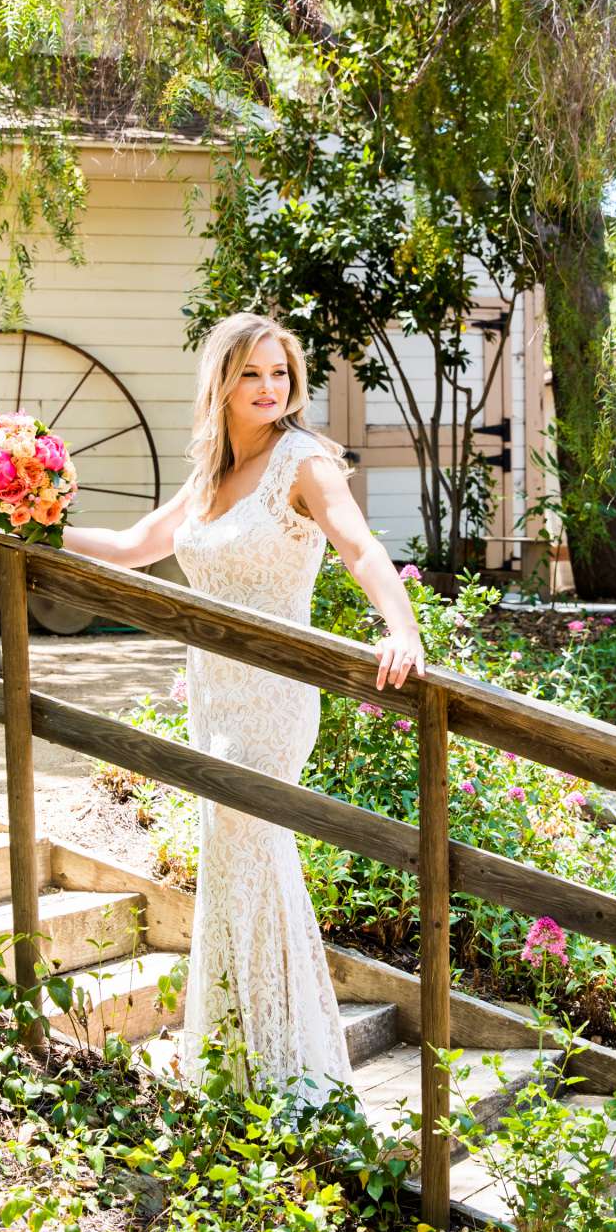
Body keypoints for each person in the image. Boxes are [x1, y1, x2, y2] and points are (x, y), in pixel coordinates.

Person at [62, 311, 427, 1105]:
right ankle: (238, 1059)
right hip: (214, 692)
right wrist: (33, 525)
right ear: (222, 384)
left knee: (250, 851)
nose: (270, 389)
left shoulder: (304, 461)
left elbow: (360, 546)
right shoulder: (207, 476)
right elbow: (130, 547)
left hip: (272, 697)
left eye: (281, 374)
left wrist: (401, 629)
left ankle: (291, 1063)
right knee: (233, 863)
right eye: (252, 375)